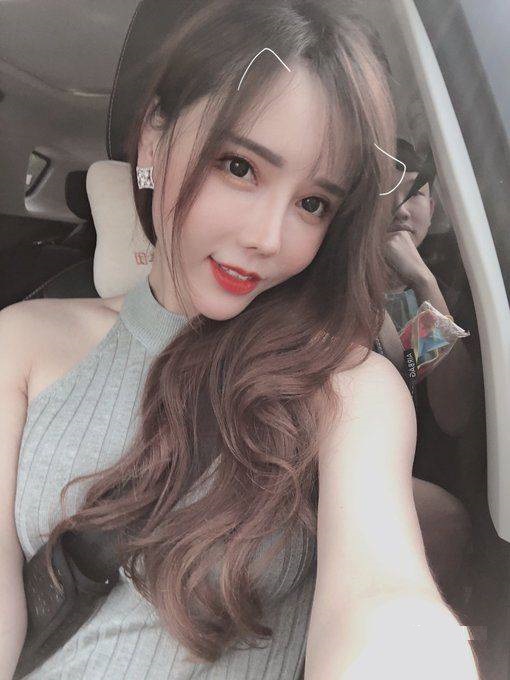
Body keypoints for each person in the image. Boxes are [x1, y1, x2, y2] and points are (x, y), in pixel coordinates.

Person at [0, 2, 478, 679]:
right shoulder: (22, 340)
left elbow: (387, 585)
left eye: (313, 203)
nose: (268, 238)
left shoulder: (372, 341)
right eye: (239, 166)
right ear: (155, 140)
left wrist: (418, 277)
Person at [384, 139, 477, 611]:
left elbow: (453, 412)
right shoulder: (345, 287)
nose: (403, 210)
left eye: (416, 193)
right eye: (390, 193)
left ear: (433, 207)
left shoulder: (441, 294)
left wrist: (424, 282)